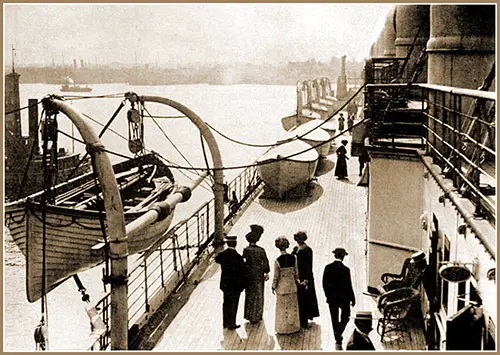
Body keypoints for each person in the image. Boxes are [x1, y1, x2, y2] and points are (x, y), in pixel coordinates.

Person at [323, 247, 356, 350]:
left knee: (334, 318)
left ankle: (337, 336)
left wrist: (328, 295)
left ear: (335, 255)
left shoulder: (327, 268)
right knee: (346, 316)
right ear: (343, 257)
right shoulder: (346, 270)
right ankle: (339, 332)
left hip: (332, 298)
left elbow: (324, 283)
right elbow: (349, 285)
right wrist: (353, 298)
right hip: (344, 299)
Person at [215, 235, 247, 330]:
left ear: (227, 243)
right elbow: (243, 272)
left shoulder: (223, 255)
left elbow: (216, 259)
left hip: (225, 284)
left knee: (226, 303)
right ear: (235, 244)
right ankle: (231, 323)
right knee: (234, 304)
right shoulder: (238, 257)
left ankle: (225, 322)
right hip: (236, 286)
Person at [272, 236, 301, 334]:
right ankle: (294, 327)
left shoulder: (277, 260)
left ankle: (283, 329)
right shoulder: (294, 258)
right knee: (292, 307)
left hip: (282, 288)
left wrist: (273, 286)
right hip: (292, 286)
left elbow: (276, 276)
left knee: (282, 309)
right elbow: (297, 273)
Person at [242, 224, 270, 324]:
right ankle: (258, 315)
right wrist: (266, 272)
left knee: (249, 295)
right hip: (259, 275)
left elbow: (244, 264)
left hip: (249, 276)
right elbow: (266, 264)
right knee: (259, 294)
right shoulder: (261, 250)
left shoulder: (246, 250)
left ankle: (249, 315)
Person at [292, 231, 320, 328]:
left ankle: (305, 321)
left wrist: (306, 280)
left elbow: (309, 266)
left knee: (305, 299)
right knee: (300, 298)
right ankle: (300, 319)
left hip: (305, 277)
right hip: (298, 276)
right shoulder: (296, 249)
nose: (299, 241)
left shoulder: (308, 250)